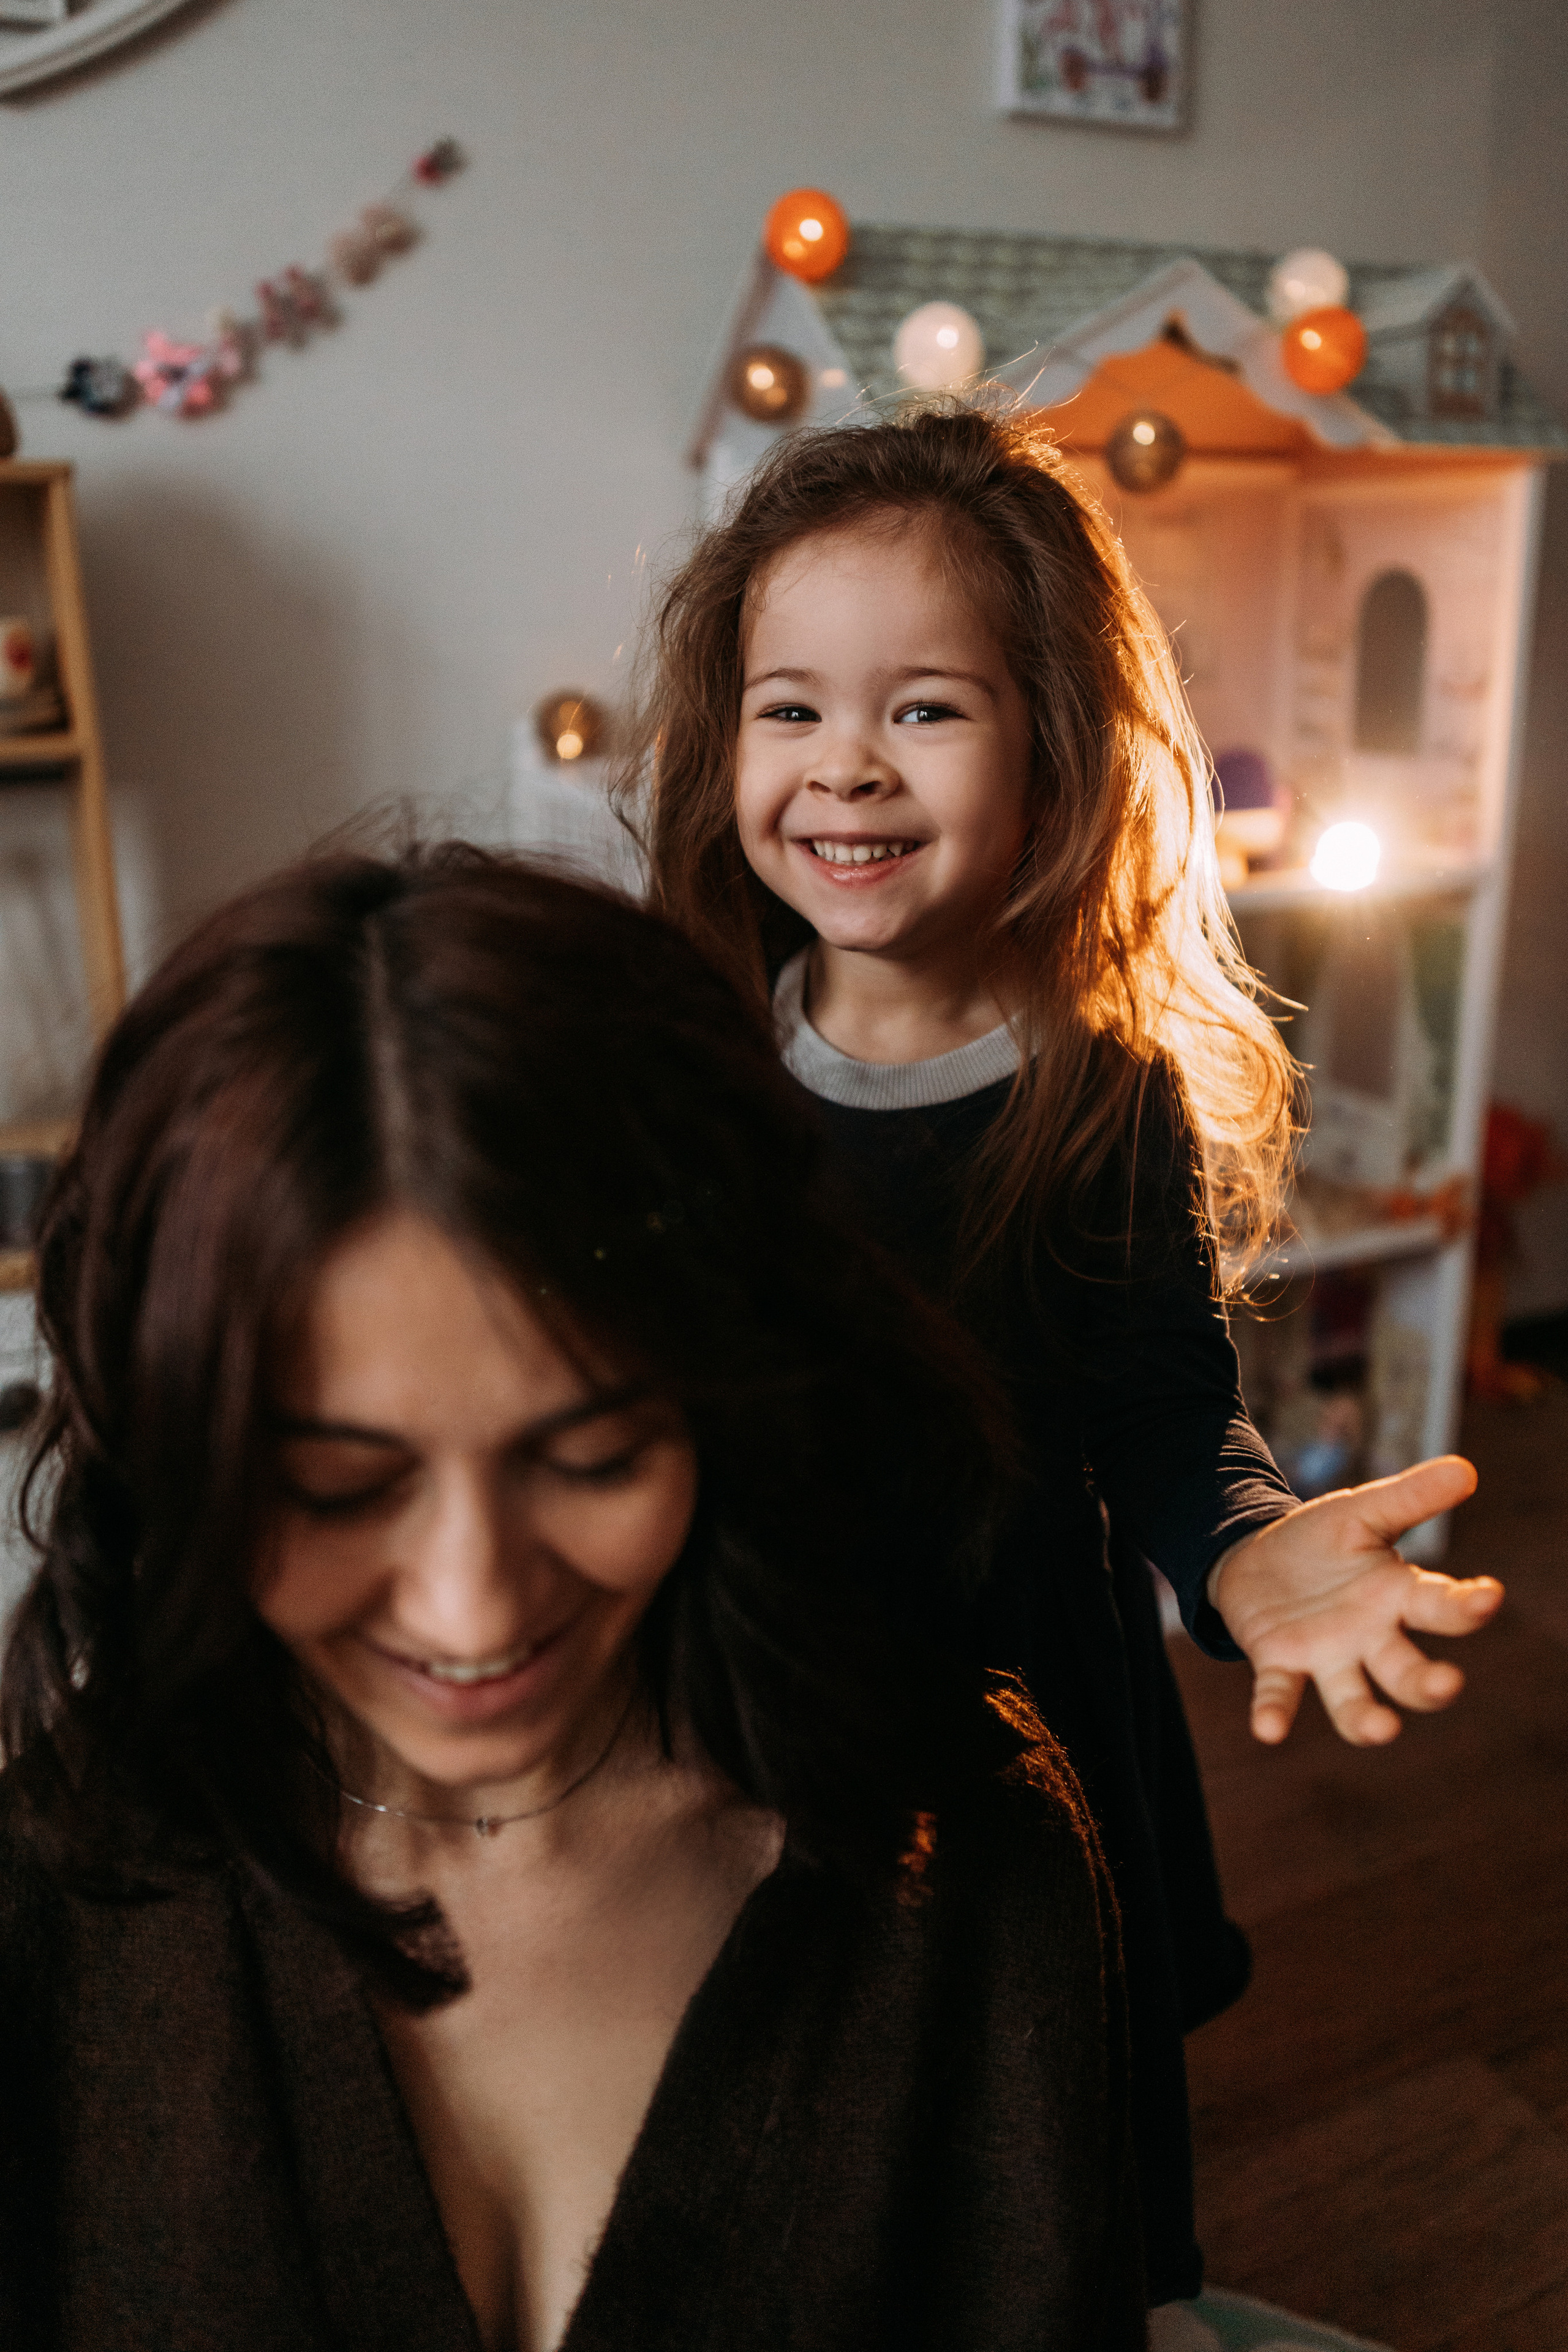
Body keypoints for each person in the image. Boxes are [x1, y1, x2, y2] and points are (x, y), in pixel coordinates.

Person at [0, 846, 1146, 2351]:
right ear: (177, 1442)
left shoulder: (967, 1859)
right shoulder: (61, 1899)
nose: (474, 1612)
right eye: (344, 1487)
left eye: (592, 1456)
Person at [624, 402, 1504, 2304]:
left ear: (1054, 753)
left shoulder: (1099, 1108)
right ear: (725, 741)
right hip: (750, 1704)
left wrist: (1251, 1551)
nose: (846, 768)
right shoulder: (675, 1064)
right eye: (793, 709)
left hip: (1027, 1719)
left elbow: (1174, 1418)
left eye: (924, 709)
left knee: (1033, 2154)